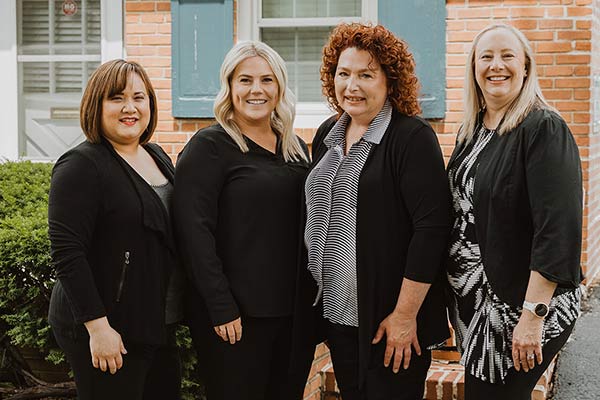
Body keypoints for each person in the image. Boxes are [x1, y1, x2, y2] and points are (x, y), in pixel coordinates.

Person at [304, 23, 451, 400]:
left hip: (389, 322)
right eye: (344, 73)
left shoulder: (410, 137)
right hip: (338, 315)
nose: (351, 85)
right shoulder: (327, 134)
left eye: (366, 75)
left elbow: (431, 230)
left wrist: (405, 317)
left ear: (390, 81)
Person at [446, 24, 583, 399]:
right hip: (476, 306)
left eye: (507, 56)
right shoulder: (472, 131)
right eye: (486, 56)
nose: (496, 65)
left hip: (518, 308)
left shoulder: (543, 128)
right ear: (474, 68)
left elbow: (558, 229)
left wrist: (532, 317)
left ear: (526, 67)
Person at [172, 41, 312, 400]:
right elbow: (193, 233)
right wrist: (220, 307)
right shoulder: (208, 147)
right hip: (234, 319)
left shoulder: (294, 147)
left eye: (267, 80)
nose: (256, 90)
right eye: (245, 80)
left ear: (279, 86)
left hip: (292, 317)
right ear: (230, 87)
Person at [47, 59, 183, 400]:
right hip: (110, 327)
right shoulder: (81, 165)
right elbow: (67, 253)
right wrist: (98, 327)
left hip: (154, 323)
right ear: (96, 104)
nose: (130, 108)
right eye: (116, 98)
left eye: (139, 97)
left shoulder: (156, 155)